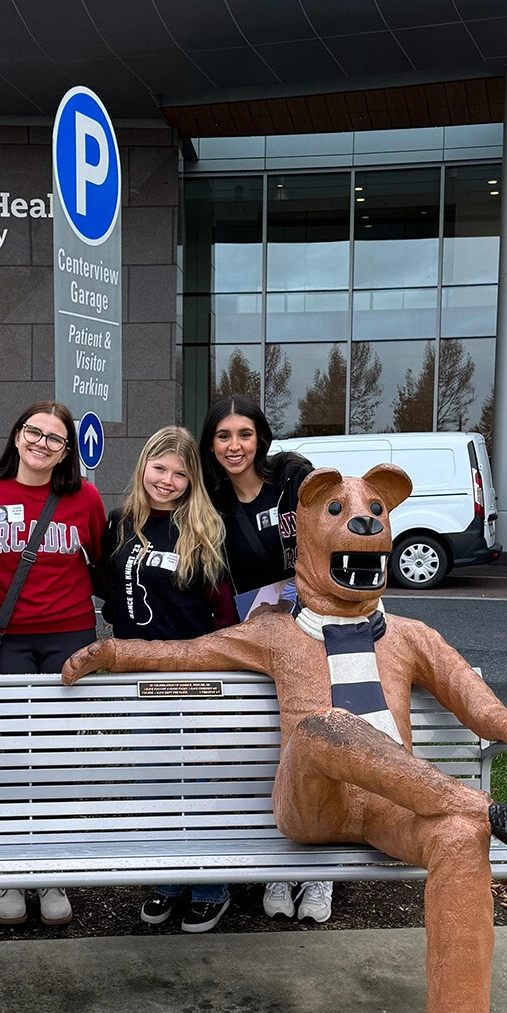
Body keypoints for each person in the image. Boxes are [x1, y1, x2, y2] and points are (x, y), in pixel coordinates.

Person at [0, 399, 106, 927]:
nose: (43, 444)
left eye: (55, 438)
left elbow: (100, 558)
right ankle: (10, 872)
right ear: (17, 436)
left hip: (69, 634)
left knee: (59, 756)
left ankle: (54, 872)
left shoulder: (83, 497)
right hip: (3, 639)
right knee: (7, 755)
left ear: (68, 450)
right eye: (34, 433)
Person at [197, 394, 333, 925]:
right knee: (276, 742)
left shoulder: (294, 479)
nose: (235, 446)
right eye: (223, 436)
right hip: (262, 635)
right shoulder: (211, 503)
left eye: (244, 434)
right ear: (211, 444)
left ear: (261, 439)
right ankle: (282, 863)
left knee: (328, 736)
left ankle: (321, 873)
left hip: (325, 626)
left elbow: (341, 528)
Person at [101, 426, 236, 932]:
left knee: (198, 780)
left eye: (181, 473)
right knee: (152, 777)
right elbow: (109, 594)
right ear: (143, 467)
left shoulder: (204, 527)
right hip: (136, 671)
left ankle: (208, 886)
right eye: (160, 468)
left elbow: (223, 614)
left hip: (194, 672)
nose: (169, 480)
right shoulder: (119, 523)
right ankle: (166, 879)